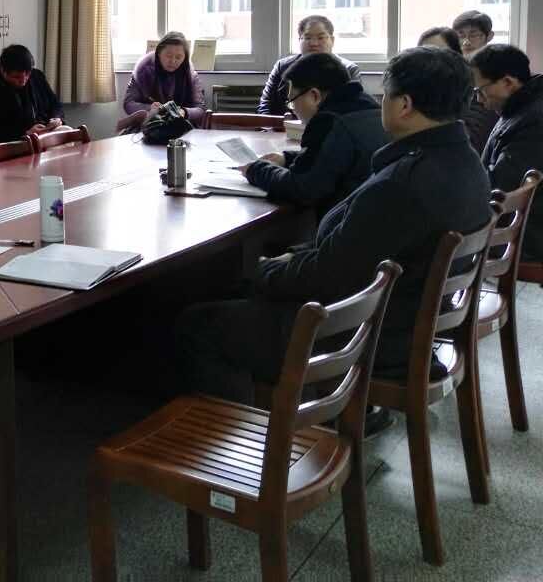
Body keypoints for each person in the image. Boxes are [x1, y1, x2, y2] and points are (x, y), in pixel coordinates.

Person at [175, 47, 491, 410]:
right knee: (244, 289)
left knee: (198, 322)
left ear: (404, 105)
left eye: (385, 95)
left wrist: (263, 270)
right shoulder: (468, 162)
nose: (381, 103)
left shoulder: (402, 183)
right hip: (410, 321)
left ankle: (246, 434)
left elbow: (328, 277)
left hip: (363, 334)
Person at [241, 54, 389, 219]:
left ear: (314, 96)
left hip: (344, 228)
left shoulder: (328, 121)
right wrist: (286, 159)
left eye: (292, 101)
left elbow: (301, 189)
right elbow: (331, 157)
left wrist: (255, 170)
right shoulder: (370, 109)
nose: (293, 110)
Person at [471, 44, 543, 261]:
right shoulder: (520, 107)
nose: (478, 100)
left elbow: (502, 187)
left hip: (528, 240)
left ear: (508, 83)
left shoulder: (534, 120)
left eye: (480, 91)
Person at [258, 15, 361, 115]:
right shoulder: (282, 66)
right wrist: (271, 125)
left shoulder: (349, 69)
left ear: (332, 40)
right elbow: (265, 105)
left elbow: (352, 111)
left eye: (321, 38)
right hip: (285, 125)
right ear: (299, 40)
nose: (314, 43)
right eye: (307, 38)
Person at [0, 44, 65, 144]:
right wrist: (25, 133)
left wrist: (56, 117)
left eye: (27, 74)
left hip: (46, 133)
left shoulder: (37, 76)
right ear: (3, 71)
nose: (23, 81)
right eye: (17, 77)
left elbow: (55, 103)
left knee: (68, 134)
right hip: (18, 144)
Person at [120, 32, 206, 132]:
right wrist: (150, 108)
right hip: (148, 125)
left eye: (178, 57)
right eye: (168, 56)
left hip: (181, 126)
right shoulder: (143, 72)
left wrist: (184, 112)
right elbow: (128, 103)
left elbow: (201, 109)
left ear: (185, 58)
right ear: (159, 54)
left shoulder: (190, 76)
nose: (173, 61)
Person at [453, 10, 498, 154]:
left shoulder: (494, 70)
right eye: (461, 35)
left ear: (489, 36)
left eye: (473, 35)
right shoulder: (453, 67)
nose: (466, 42)